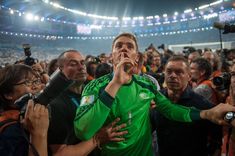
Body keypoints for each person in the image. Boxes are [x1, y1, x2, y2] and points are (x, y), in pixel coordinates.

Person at [73, 33, 235, 156]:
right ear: (112, 54)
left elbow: (170, 109)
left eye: (129, 46)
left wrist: (205, 113)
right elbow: (83, 131)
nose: (124, 49)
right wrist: (115, 83)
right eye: (119, 46)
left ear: (136, 56)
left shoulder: (146, 84)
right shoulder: (94, 86)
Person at [47, 50, 127, 156]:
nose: (81, 67)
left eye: (82, 62)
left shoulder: (93, 91)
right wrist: (97, 139)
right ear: (60, 70)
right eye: (73, 64)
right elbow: (60, 153)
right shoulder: (55, 104)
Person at [150, 56, 222, 156]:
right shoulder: (155, 100)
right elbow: (146, 130)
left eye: (179, 72)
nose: (173, 76)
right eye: (169, 71)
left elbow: (217, 139)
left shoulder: (202, 105)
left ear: (189, 76)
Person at [0, 64, 49, 156]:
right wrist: (38, 134)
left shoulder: (27, 116)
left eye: (36, 81)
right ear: (8, 94)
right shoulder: (10, 131)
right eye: (27, 82)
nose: (35, 86)